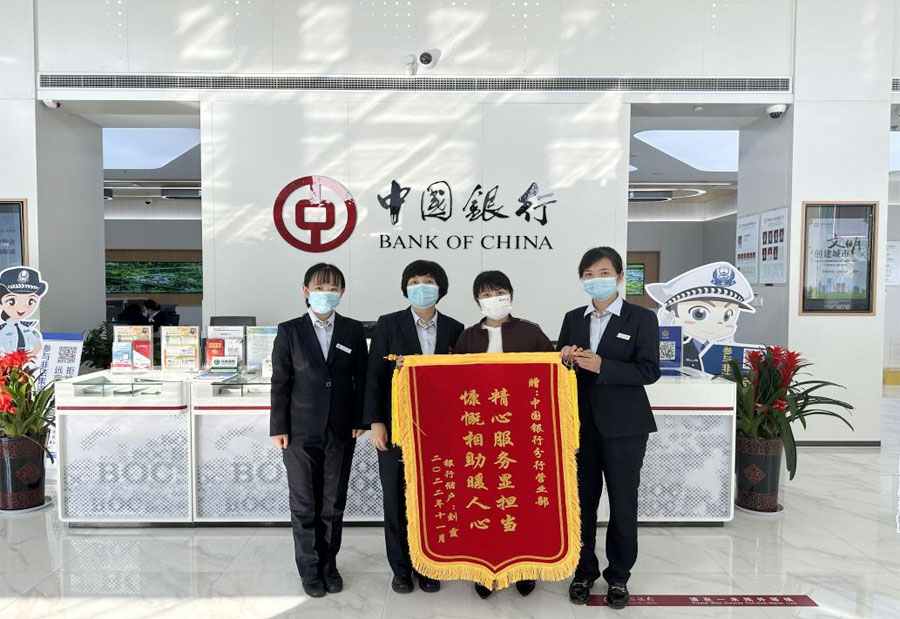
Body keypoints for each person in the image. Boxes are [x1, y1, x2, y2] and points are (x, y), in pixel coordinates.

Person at [557, 247, 661, 609]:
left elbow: (649, 370)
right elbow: (562, 373)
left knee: (622, 503)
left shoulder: (641, 318)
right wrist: (565, 361)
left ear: (618, 277)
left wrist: (603, 365)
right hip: (580, 428)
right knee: (581, 503)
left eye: (603, 273)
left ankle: (618, 576)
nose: (595, 280)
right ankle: (583, 571)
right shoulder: (573, 318)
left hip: (625, 428)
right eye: (588, 274)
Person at [364, 260, 464, 594]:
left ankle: (429, 565)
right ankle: (401, 568)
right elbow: (374, 376)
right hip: (396, 426)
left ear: (441, 288)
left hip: (440, 429)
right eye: (415, 281)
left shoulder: (455, 328)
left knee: (435, 497)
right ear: (405, 287)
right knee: (396, 499)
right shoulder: (388, 324)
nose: (422, 287)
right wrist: (376, 422)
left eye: (429, 281)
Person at [453, 270, 554, 599]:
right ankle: (485, 569)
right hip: (479, 436)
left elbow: (552, 376)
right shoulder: (467, 337)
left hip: (520, 433)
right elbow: (450, 381)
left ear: (510, 295)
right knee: (481, 503)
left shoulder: (531, 332)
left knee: (521, 501)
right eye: (486, 294)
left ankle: (524, 568)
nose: (493, 299)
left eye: (499, 292)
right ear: (477, 301)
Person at [269, 263, 368, 599]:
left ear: (342, 292)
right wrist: (278, 426)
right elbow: (280, 382)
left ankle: (329, 565)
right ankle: (309, 569)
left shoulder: (353, 330)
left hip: (341, 429)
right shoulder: (289, 331)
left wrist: (360, 419)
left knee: (333, 503)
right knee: (304, 504)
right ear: (306, 291)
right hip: (298, 431)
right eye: (320, 287)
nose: (327, 293)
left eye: (334, 287)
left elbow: (361, 379)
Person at [0, 267, 48, 357]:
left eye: (31, 301)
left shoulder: (29, 329)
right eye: (12, 301)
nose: (22, 307)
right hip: (7, 364)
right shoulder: (2, 330)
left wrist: (29, 357)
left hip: (26, 363)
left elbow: (38, 344)